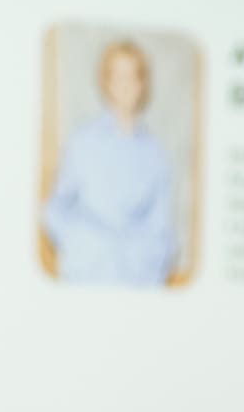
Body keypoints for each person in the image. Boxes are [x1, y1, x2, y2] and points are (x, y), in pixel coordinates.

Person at [43, 36, 183, 285]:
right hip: (87, 274)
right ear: (105, 82)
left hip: (139, 279)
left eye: (132, 76)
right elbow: (56, 209)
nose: (125, 85)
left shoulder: (156, 154)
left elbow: (162, 226)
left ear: (142, 84)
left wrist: (150, 258)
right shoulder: (82, 142)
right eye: (117, 76)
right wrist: (79, 245)